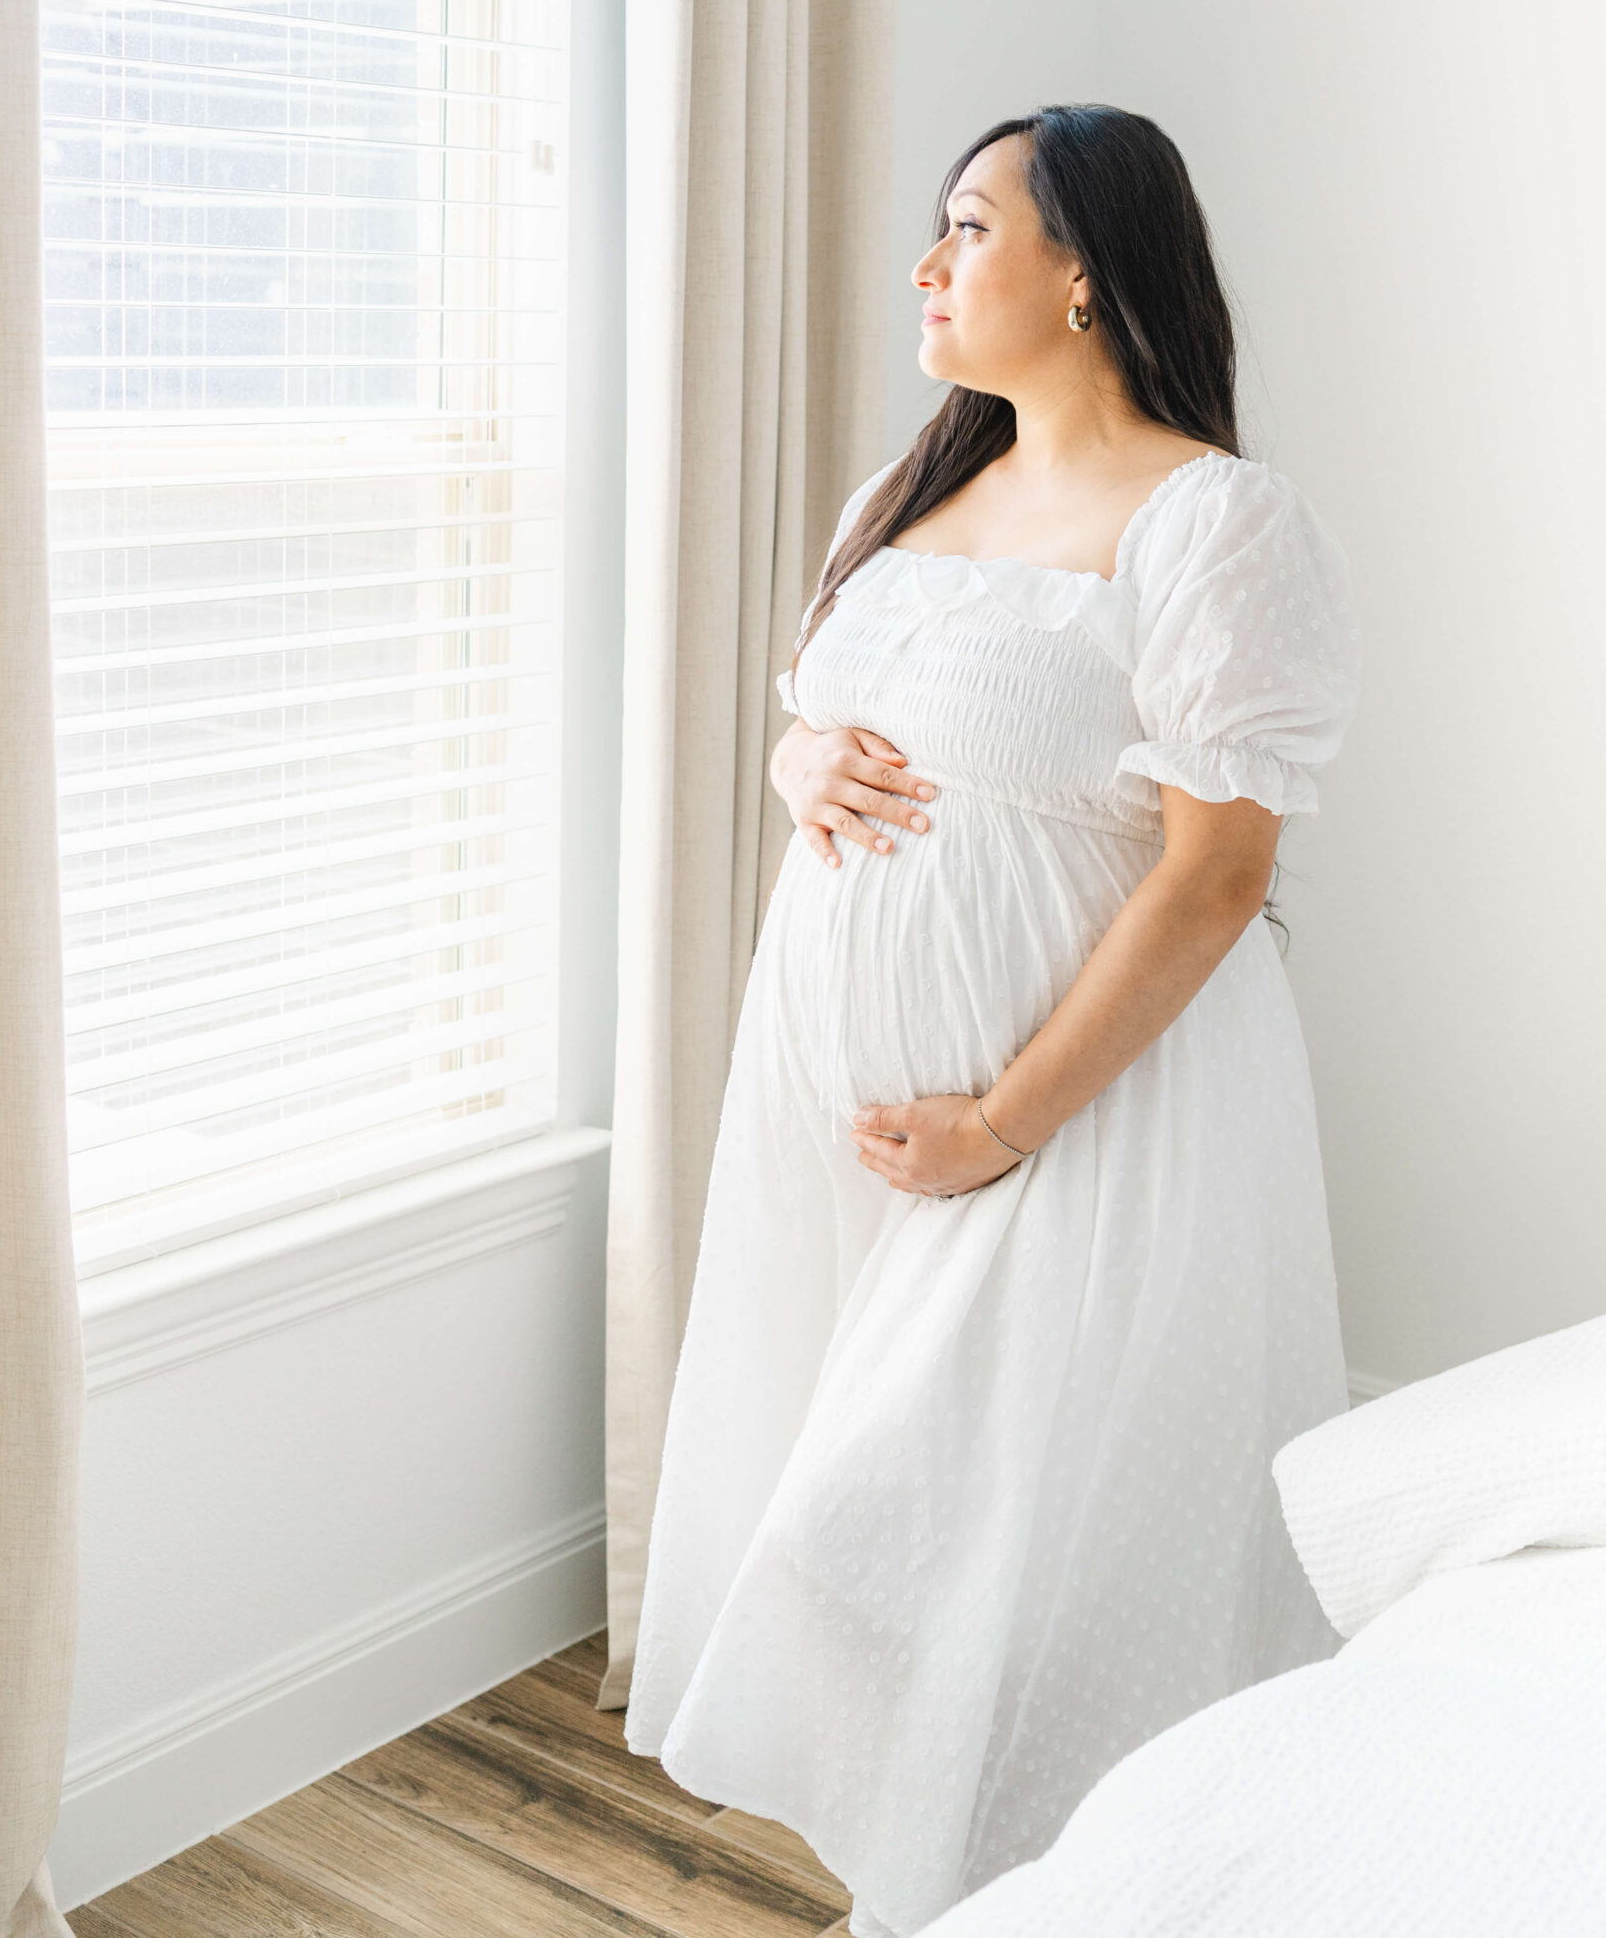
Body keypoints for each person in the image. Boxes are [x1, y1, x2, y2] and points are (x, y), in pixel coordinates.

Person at [622, 105, 1362, 1937]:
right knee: (863, 1527)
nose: (929, 265)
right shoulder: (917, 487)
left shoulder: (1212, 521)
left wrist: (1005, 1120)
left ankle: (1073, 1876)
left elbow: (1208, 875)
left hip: (1072, 1121)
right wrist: (801, 753)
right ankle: (945, 1881)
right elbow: (846, 711)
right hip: (843, 1123)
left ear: (1089, 271)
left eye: (970, 227)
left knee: (921, 1533)